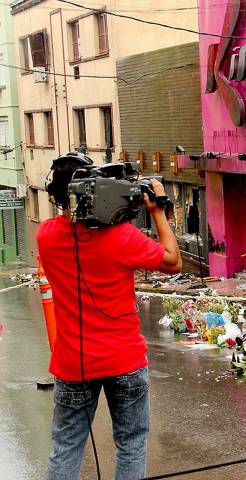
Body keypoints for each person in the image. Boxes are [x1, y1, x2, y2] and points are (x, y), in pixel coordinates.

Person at [37, 152, 182, 480]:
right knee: (131, 443)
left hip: (74, 363)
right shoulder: (122, 237)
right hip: (125, 361)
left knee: (66, 446)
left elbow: (68, 225)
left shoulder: (45, 236)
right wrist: (158, 212)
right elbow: (174, 261)